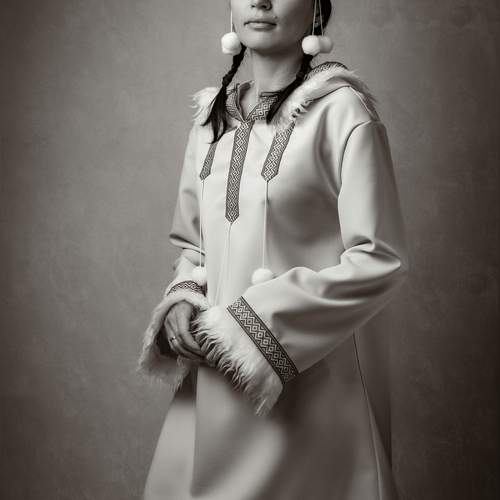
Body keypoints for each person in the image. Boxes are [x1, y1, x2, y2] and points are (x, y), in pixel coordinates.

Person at [138, 0, 409, 498]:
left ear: (316, 7)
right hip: (210, 389)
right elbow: (193, 247)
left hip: (309, 392)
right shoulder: (212, 119)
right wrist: (181, 300)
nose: (259, 1)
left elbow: (380, 257)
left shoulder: (343, 110)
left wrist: (251, 325)